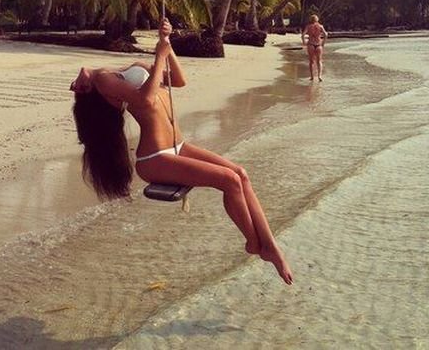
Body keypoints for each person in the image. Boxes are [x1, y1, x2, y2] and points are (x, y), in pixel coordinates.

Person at [70, 18, 293, 285]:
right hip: (156, 157)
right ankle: (255, 243)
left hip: (178, 146)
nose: (76, 86)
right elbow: (146, 99)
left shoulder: (119, 73)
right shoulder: (102, 80)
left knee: (241, 174)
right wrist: (160, 54)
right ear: (91, 93)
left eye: (77, 86)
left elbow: (179, 80)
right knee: (230, 181)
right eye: (80, 89)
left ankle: (270, 246)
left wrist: (167, 45)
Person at [301, 14, 327, 81]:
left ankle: (312, 77)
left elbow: (303, 35)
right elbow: (326, 34)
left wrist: (304, 42)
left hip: (311, 44)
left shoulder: (308, 26)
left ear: (311, 20)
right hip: (318, 44)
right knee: (319, 61)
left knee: (311, 61)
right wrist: (323, 43)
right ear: (317, 19)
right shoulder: (320, 26)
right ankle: (319, 76)